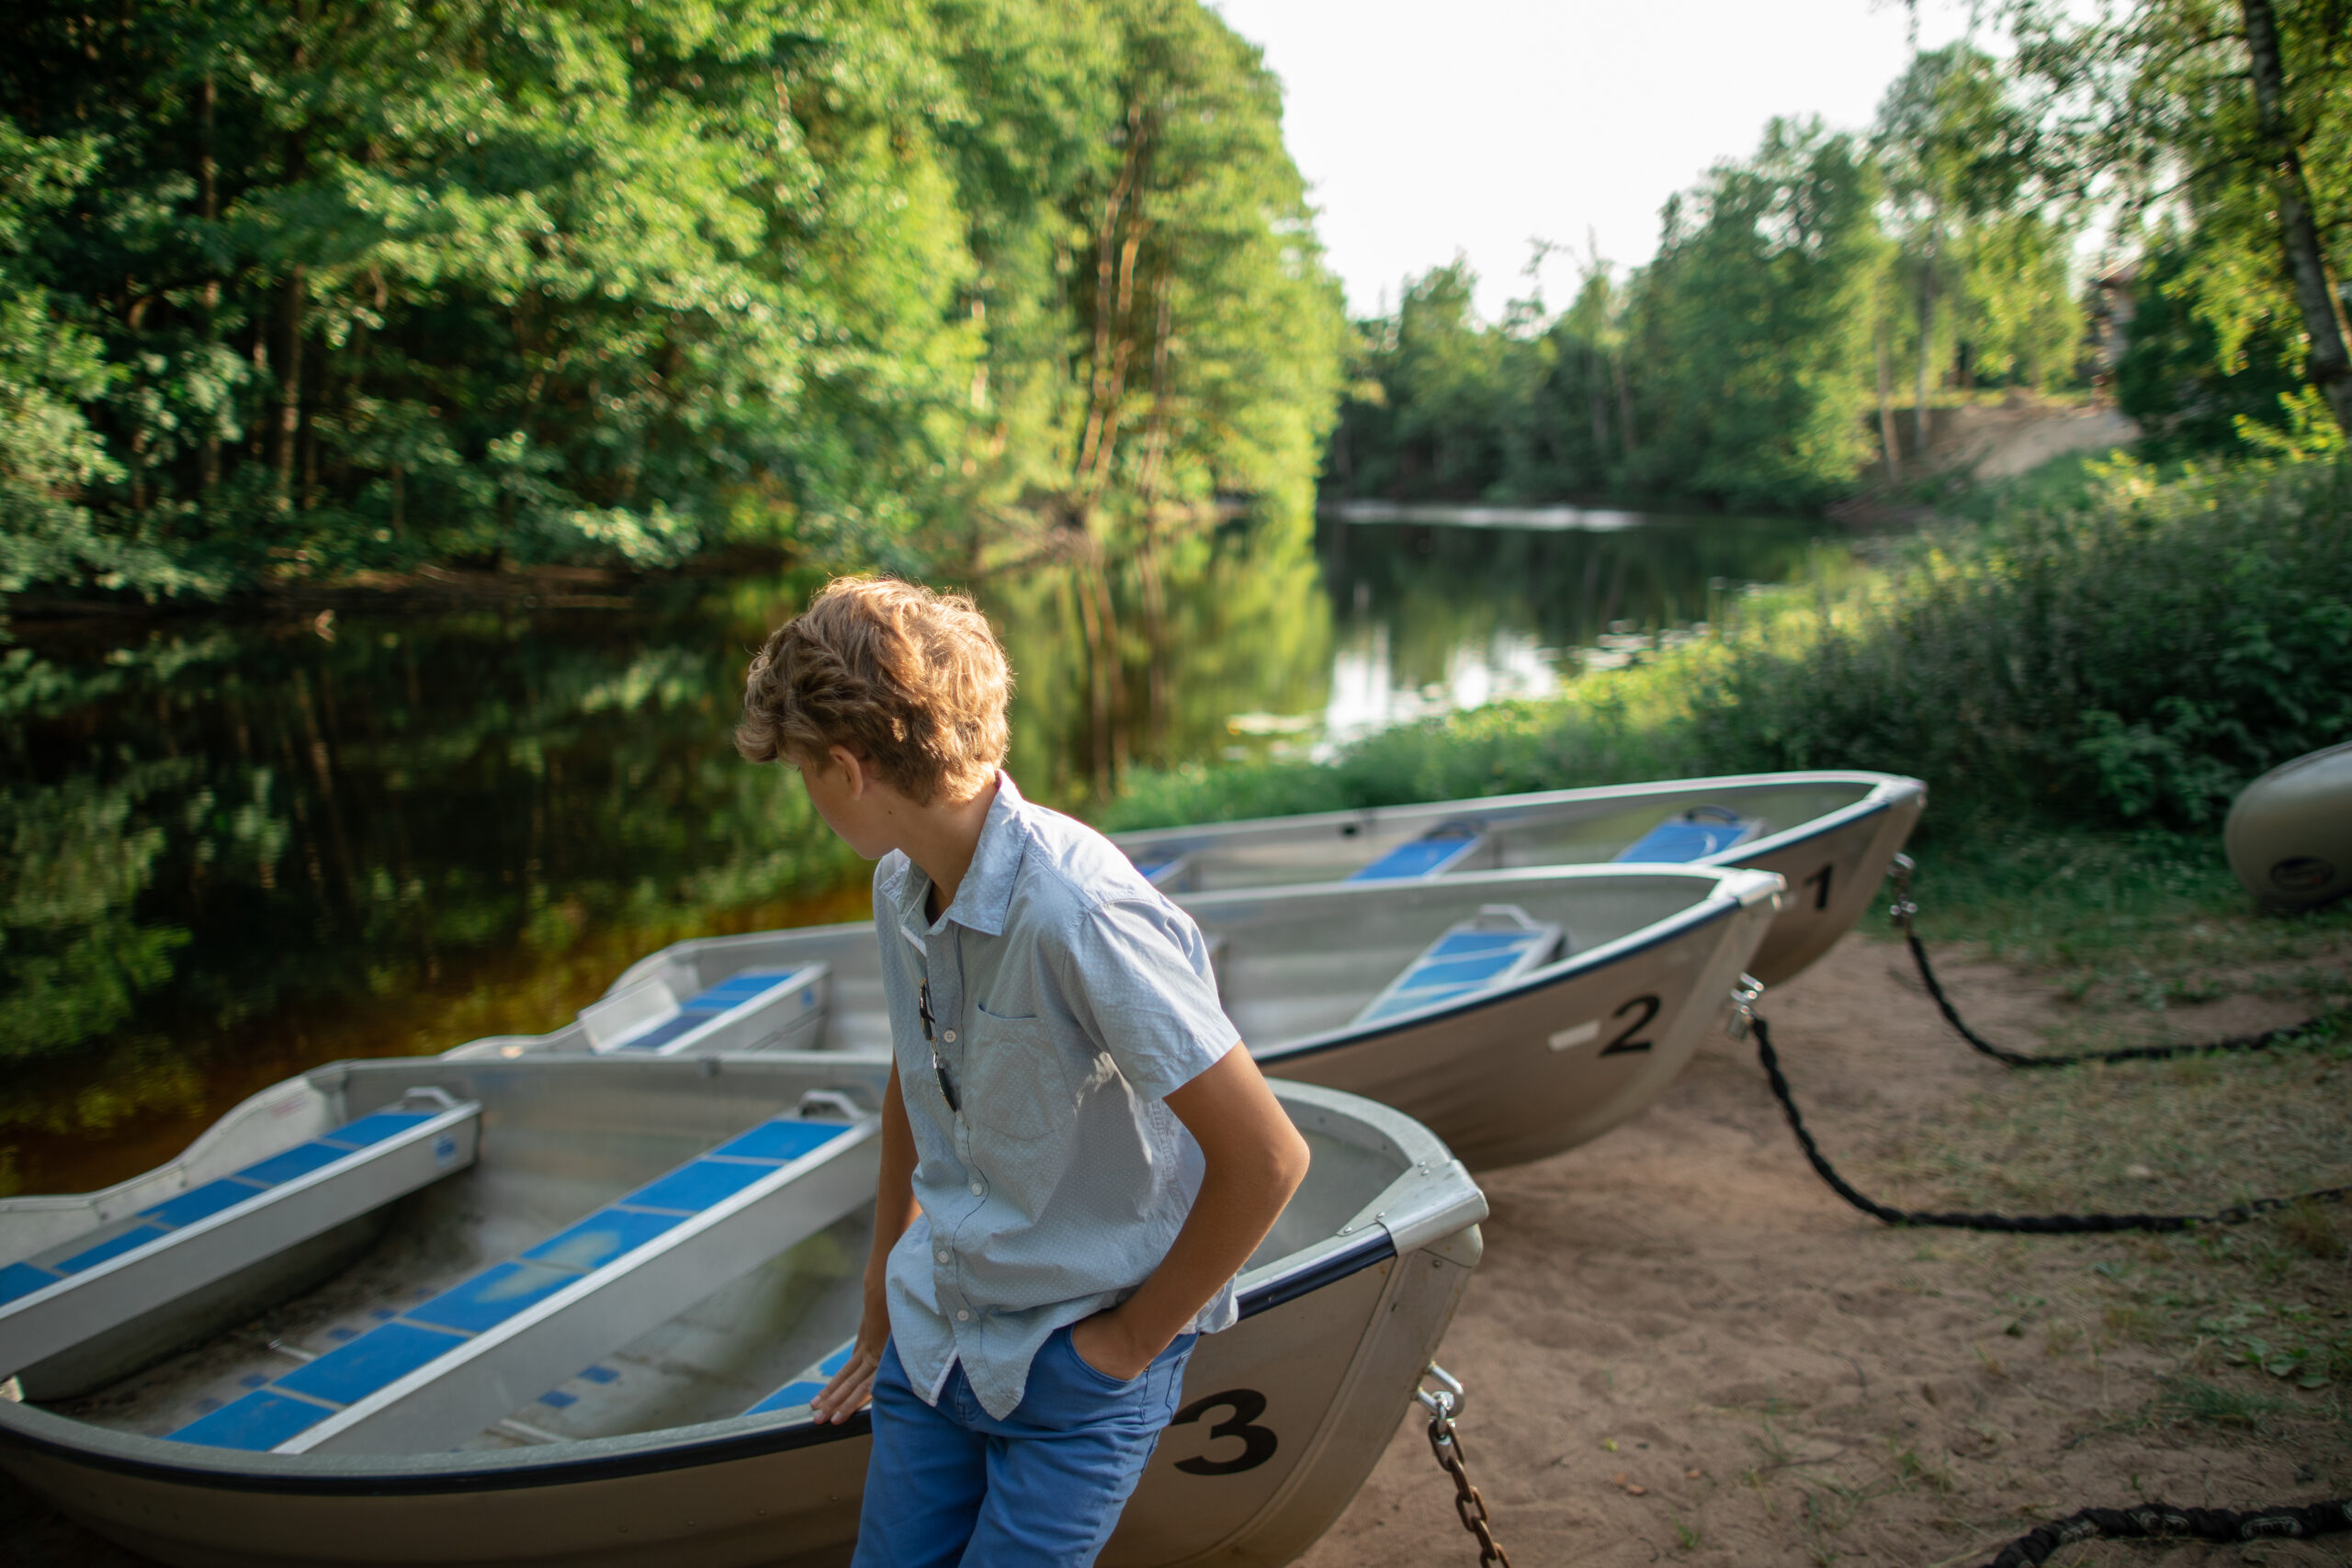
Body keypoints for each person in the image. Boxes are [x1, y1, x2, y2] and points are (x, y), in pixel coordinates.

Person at [736, 576, 1311, 1568]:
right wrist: (881, 1296)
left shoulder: (1079, 916)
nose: (806, 795)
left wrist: (1123, 1351)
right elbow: (914, 1086)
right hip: (934, 1338)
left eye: (800, 772)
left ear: (845, 767)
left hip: (1074, 1359)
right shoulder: (897, 887)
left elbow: (1267, 1156)